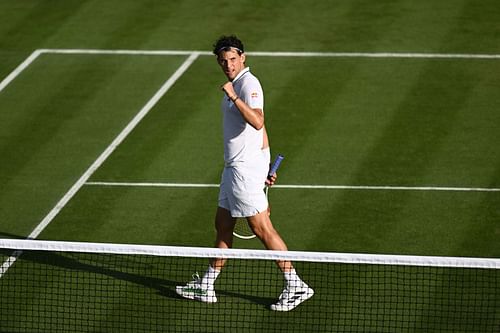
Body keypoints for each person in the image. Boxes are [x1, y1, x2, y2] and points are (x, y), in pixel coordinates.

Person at [176, 35, 313, 311]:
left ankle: (295, 284)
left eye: (233, 60)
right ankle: (206, 284)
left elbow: (258, 120)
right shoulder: (237, 83)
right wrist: (266, 163)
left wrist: (234, 97)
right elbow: (261, 131)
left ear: (243, 58)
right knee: (223, 224)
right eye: (223, 61)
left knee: (261, 228)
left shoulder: (247, 85)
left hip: (243, 172)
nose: (228, 65)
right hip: (236, 169)